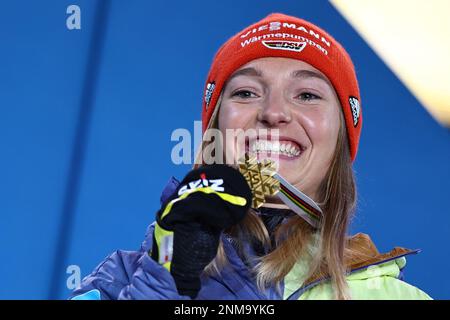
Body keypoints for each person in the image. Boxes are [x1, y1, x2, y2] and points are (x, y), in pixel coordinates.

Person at [70, 13, 431, 300]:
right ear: (215, 129)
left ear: (340, 140)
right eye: (246, 92)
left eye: (306, 95)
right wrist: (164, 272)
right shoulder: (118, 284)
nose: (274, 112)